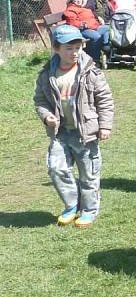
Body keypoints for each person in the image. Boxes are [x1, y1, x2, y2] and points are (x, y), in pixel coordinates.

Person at [34, 24, 114, 228]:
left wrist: (105, 126)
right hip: (60, 133)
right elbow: (40, 101)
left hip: (85, 133)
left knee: (89, 173)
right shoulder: (47, 74)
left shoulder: (91, 72)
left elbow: (104, 100)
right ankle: (72, 205)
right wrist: (46, 116)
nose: (74, 52)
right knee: (56, 168)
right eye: (68, 48)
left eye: (78, 47)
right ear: (56, 49)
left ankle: (89, 210)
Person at [62, 0, 111, 65]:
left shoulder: (83, 9)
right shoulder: (70, 9)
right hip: (81, 30)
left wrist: (98, 20)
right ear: (72, 0)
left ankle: (106, 48)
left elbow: (91, 18)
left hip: (94, 27)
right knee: (96, 37)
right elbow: (72, 22)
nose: (78, 1)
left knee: (108, 28)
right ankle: (94, 60)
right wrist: (83, 24)